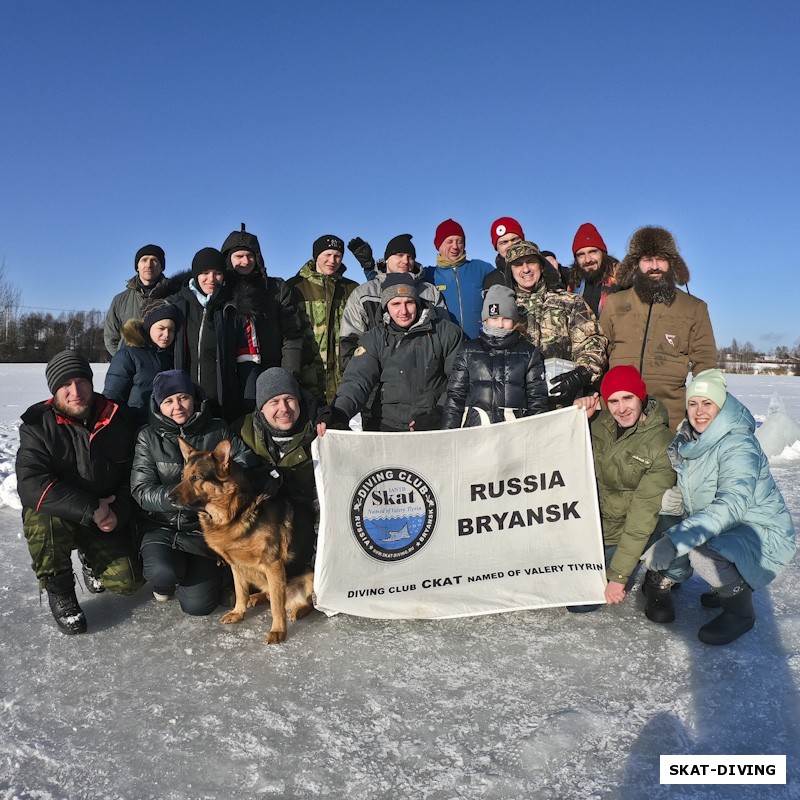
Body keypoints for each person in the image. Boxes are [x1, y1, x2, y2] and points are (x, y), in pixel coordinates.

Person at [640, 369, 796, 645]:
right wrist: (675, 499)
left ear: (721, 405)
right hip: (731, 524)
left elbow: (732, 503)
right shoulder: (691, 440)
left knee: (703, 551)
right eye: (693, 403)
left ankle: (740, 612)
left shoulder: (737, 443)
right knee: (674, 520)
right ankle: (726, 585)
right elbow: (699, 487)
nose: (699, 411)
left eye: (707, 403)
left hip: (760, 530)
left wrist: (674, 542)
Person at [15, 351, 144, 634]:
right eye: (65, 385)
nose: (75, 392)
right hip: (63, 515)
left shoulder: (118, 418)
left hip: (105, 514)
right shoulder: (38, 425)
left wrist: (118, 511)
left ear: (91, 381)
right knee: (42, 515)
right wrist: (91, 508)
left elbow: (136, 475)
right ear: (54, 390)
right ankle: (60, 589)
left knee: (128, 583)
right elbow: (30, 483)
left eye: (81, 382)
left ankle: (90, 560)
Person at [131, 370, 268, 615]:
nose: (177, 407)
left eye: (183, 398)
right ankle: (164, 581)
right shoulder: (147, 437)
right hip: (161, 526)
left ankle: (203, 575)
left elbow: (243, 460)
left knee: (198, 606)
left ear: (194, 399)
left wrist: (238, 482)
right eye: (168, 401)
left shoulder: (216, 429)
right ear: (159, 405)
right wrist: (182, 498)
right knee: (163, 571)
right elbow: (141, 491)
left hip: (201, 531)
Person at [570, 366, 679, 612]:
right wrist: (575, 419)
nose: (622, 409)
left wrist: (618, 577)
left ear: (640, 396)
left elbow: (642, 515)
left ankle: (659, 576)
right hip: (589, 530)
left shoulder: (660, 444)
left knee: (581, 604)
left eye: (628, 398)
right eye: (613, 401)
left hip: (622, 533)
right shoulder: (597, 423)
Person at [599, 226, 718, 430]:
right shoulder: (615, 303)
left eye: (661, 259)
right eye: (647, 259)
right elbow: (599, 353)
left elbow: (706, 366)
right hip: (616, 415)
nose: (654, 266)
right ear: (636, 264)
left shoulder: (694, 308)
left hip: (668, 420)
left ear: (671, 263)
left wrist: (706, 407)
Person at [318, 274, 464, 434]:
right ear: (386, 306)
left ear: (418, 302)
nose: (403, 311)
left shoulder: (446, 333)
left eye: (409, 302)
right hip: (385, 427)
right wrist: (339, 412)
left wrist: (441, 412)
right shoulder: (375, 338)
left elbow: (459, 382)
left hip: (432, 426)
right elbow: (357, 381)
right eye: (396, 304)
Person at [233, 368, 318, 578]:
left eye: (290, 399)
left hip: (305, 522)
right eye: (274, 402)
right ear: (261, 408)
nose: (284, 408)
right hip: (263, 528)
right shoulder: (241, 432)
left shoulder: (317, 429)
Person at [504, 240, 608, 407]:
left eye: (531, 262)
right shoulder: (505, 308)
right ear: (510, 270)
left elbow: (592, 342)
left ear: (542, 266)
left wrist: (582, 373)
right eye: (518, 264)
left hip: (564, 401)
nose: (525, 269)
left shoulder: (570, 301)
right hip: (517, 404)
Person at [442, 285, 548, 428]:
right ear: (485, 320)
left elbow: (537, 401)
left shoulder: (529, 353)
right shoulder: (468, 351)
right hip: (475, 432)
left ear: (515, 321)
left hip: (514, 433)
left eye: (506, 318)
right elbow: (455, 397)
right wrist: (449, 432)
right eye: (494, 318)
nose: (499, 324)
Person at [220, 224, 305, 388]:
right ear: (228, 259)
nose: (246, 261)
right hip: (230, 376)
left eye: (250, 256)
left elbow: (292, 335)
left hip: (272, 372)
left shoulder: (277, 288)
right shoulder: (220, 292)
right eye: (239, 256)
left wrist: (288, 376)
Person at [170, 247, 243, 421]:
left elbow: (247, 362)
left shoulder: (232, 308)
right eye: (204, 273)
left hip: (223, 402)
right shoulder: (179, 306)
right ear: (195, 275)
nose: (211, 279)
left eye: (217, 273)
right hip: (185, 402)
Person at [287, 235, 358, 404]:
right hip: (307, 379)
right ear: (316, 256)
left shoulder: (352, 289)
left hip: (343, 380)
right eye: (327, 255)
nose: (332, 260)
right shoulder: (294, 287)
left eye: (337, 255)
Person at [102, 299, 180, 425]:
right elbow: (112, 397)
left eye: (171, 330)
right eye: (161, 328)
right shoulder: (128, 355)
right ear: (149, 327)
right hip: (133, 429)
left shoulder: (170, 356)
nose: (166, 334)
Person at [104, 244, 189, 355]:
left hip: (166, 364)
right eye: (144, 260)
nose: (148, 265)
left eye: (154, 260)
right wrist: (124, 360)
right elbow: (111, 337)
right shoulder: (120, 300)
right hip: (132, 368)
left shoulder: (177, 295)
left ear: (162, 267)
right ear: (137, 267)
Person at [423, 218, 494, 338]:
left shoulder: (482, 269)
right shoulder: (428, 274)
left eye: (459, 241)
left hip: (480, 344)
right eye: (449, 241)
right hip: (446, 346)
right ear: (438, 245)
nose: (455, 246)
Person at [566, 223, 621, 317]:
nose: (588, 260)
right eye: (581, 255)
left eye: (592, 252)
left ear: (603, 253)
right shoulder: (573, 285)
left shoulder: (622, 282)